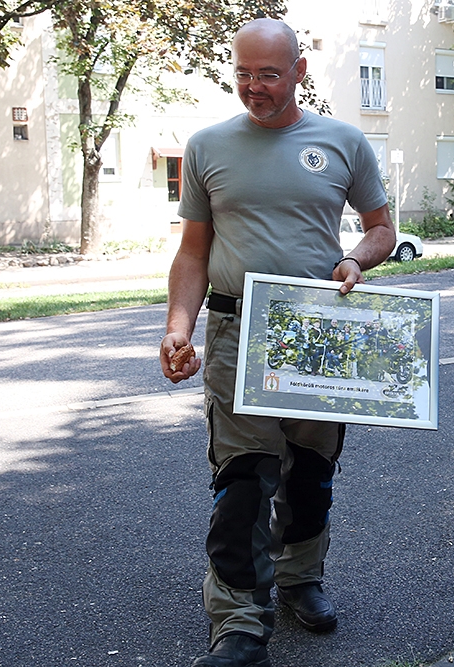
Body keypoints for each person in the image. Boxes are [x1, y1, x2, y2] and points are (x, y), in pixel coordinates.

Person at [159, 18, 395, 667]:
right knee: (242, 476)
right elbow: (192, 252)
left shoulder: (344, 142)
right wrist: (178, 327)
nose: (254, 86)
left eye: (268, 73)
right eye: (243, 73)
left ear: (299, 71)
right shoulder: (207, 146)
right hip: (236, 329)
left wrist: (356, 259)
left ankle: (299, 577)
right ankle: (239, 620)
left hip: (319, 328)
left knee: (311, 471)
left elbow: (381, 228)